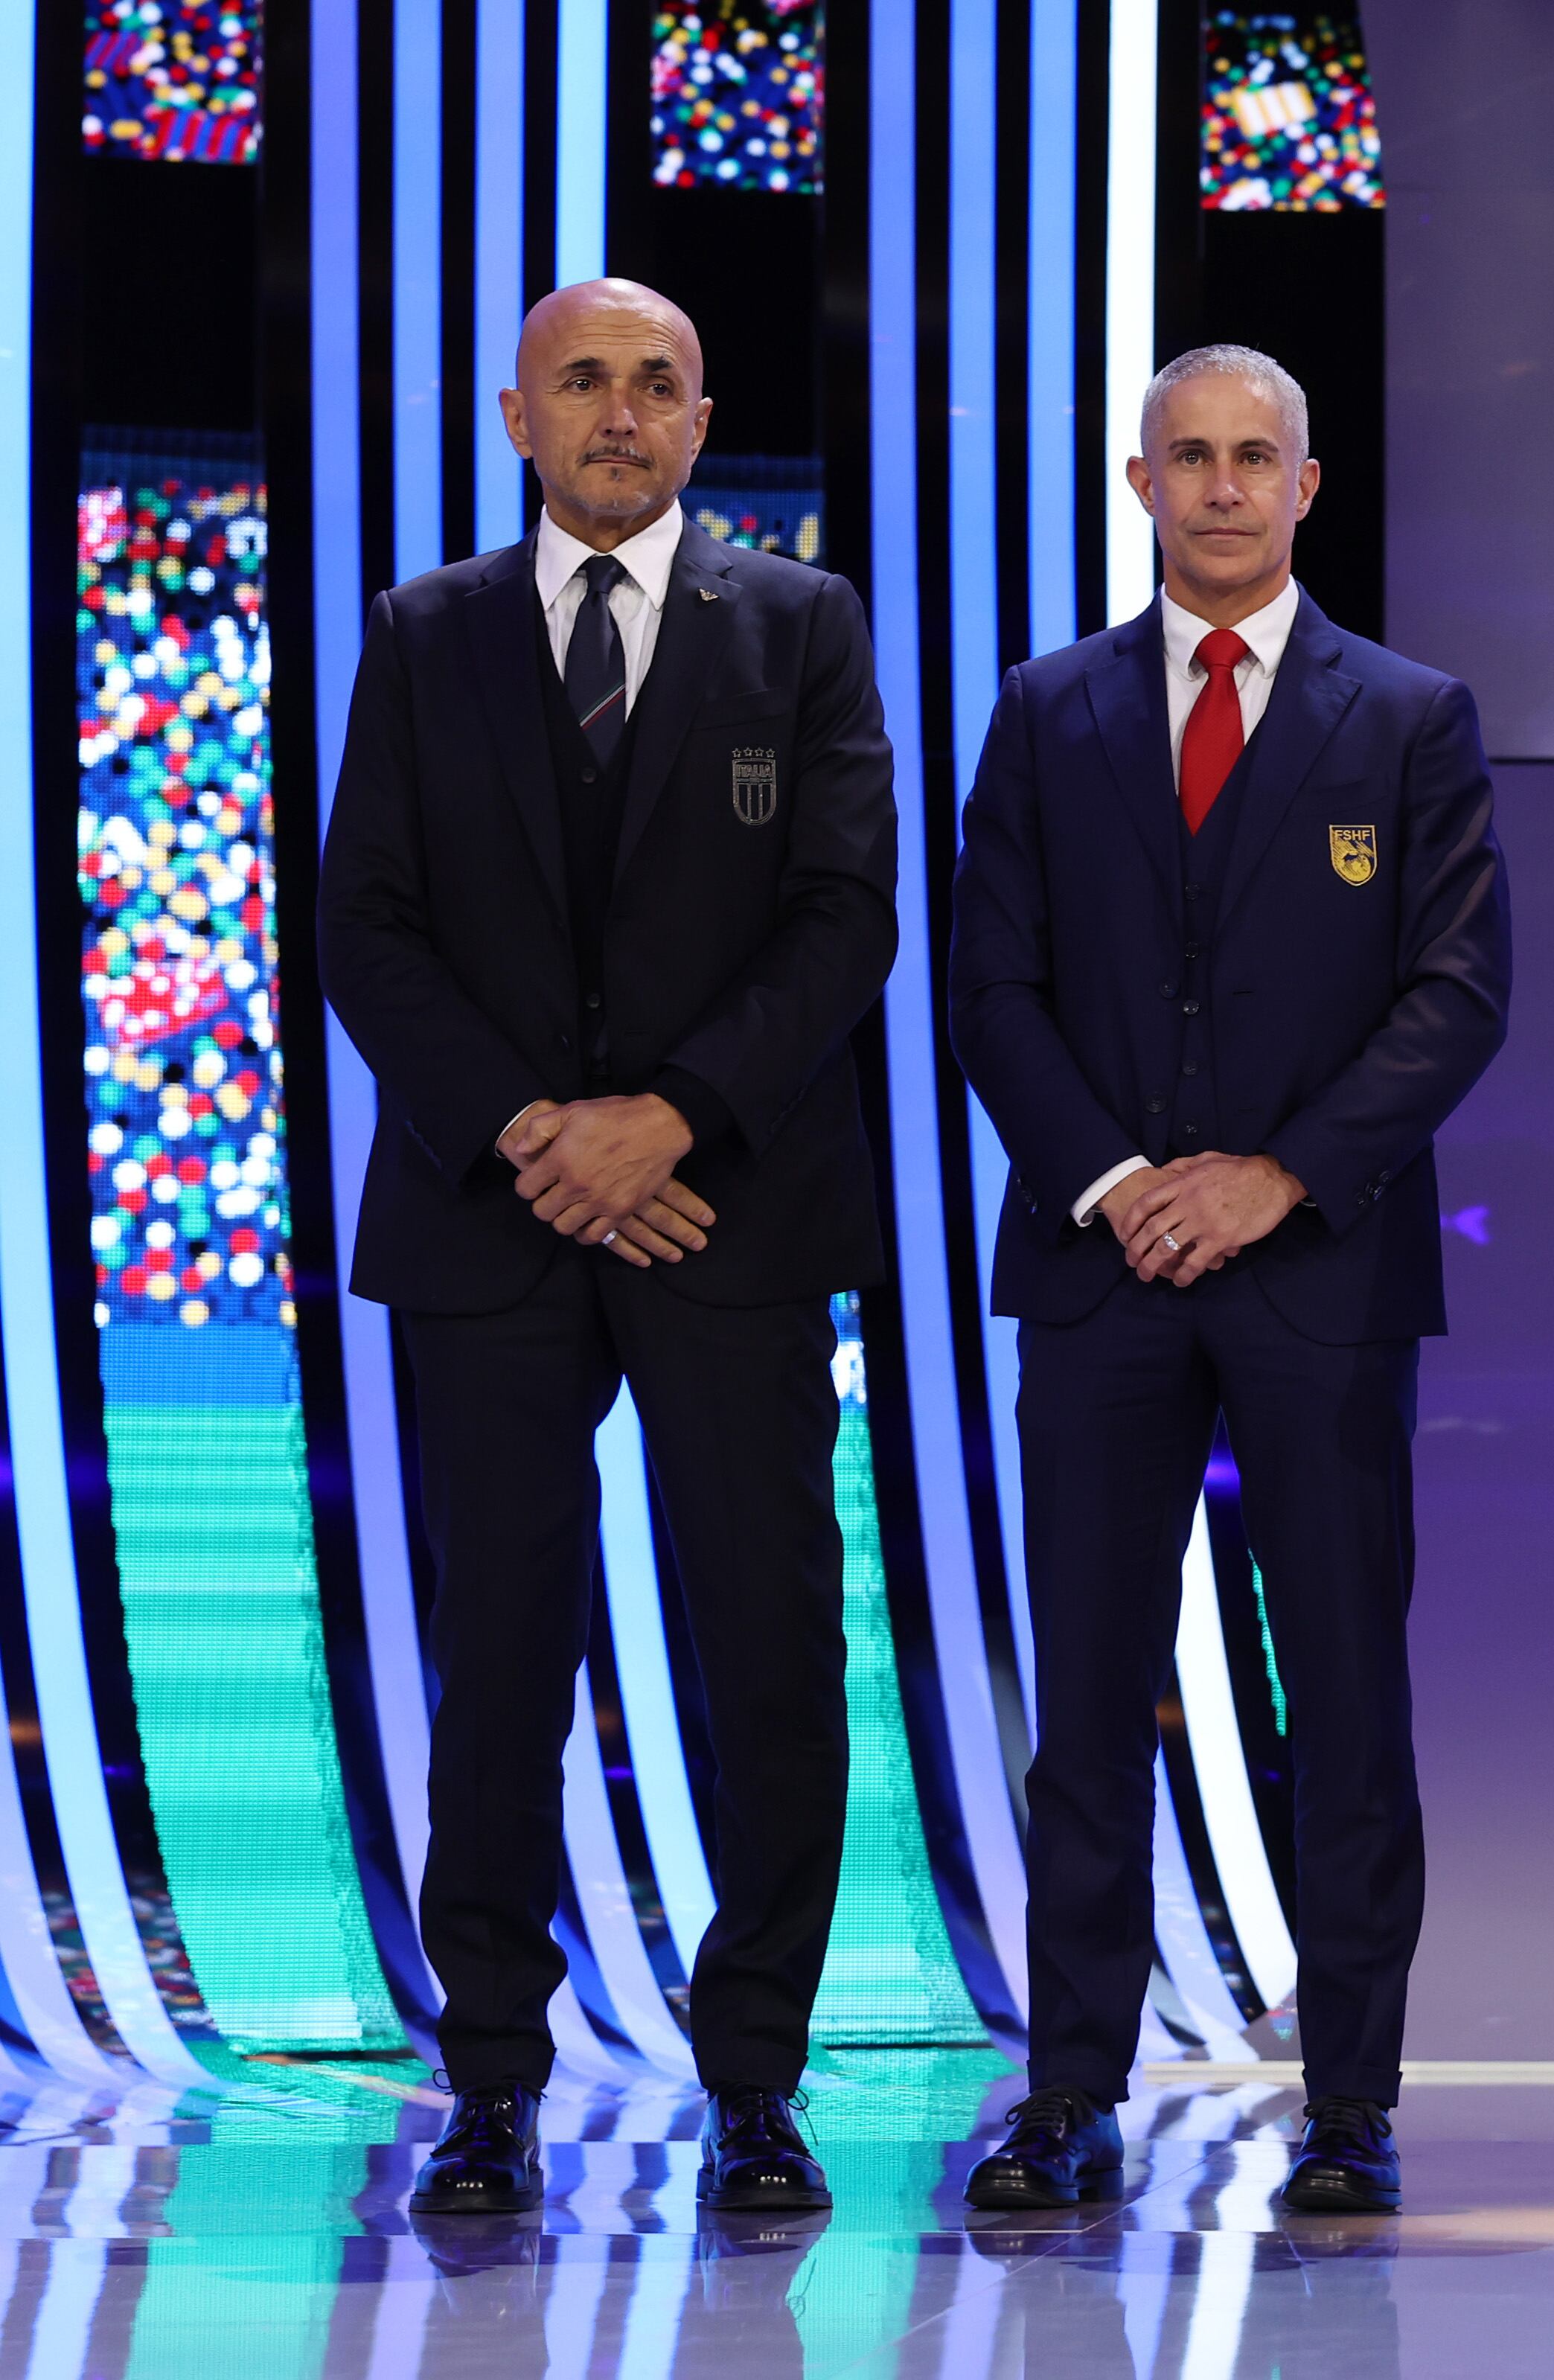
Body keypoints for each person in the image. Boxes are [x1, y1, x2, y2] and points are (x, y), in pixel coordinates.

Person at [321, 279, 900, 2214]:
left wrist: (664, 1121)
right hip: (492, 1223)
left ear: (700, 411)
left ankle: (754, 2076)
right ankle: (490, 2082)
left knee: (768, 1653)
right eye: (585, 381)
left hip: (727, 1210)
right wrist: (532, 1131)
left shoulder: (802, 623)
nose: (622, 412)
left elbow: (843, 914)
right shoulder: (423, 634)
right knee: (495, 1658)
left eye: (657, 382)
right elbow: (364, 924)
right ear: (518, 415)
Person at [948, 345, 1509, 2214]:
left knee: (1345, 1702)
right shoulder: (1047, 711)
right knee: (1088, 1709)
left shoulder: (1411, 716)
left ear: (1306, 484)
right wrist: (1121, 1182)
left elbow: (1458, 996)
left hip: (1318, 1277)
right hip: (1101, 1277)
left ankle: (1350, 2104)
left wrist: (1274, 1178)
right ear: (1137, 482)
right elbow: (991, 988)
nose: (1217, 486)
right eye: (1184, 457)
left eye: (1250, 457)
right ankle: (1068, 2099)